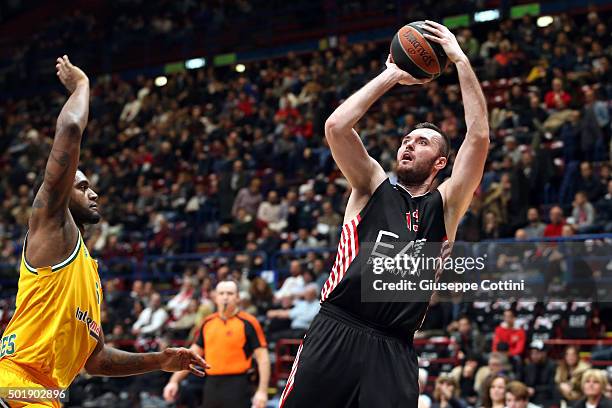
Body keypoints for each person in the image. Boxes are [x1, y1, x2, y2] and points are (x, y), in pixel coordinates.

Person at [279, 21, 489, 407]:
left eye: (422, 142)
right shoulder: (371, 185)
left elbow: (478, 139)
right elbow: (337, 126)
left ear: (441, 162)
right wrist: (392, 74)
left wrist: (459, 59)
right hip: (337, 326)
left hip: (394, 347)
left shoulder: (446, 206)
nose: (409, 144)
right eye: (406, 139)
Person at [0, 56, 206, 408]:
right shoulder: (51, 225)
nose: (93, 192)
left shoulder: (90, 277)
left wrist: (158, 361)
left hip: (40, 395)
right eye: (81, 186)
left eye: (92, 186)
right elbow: (69, 132)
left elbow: (95, 361)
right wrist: (82, 85)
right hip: (12, 383)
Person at [163, 280, 270, 408]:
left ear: (237, 298)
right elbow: (192, 355)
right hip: (212, 384)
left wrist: (262, 391)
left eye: (230, 293)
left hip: (238, 384)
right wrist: (174, 381)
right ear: (215, 297)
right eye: (221, 293)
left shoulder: (249, 322)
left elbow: (263, 359)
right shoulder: (208, 322)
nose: (225, 297)